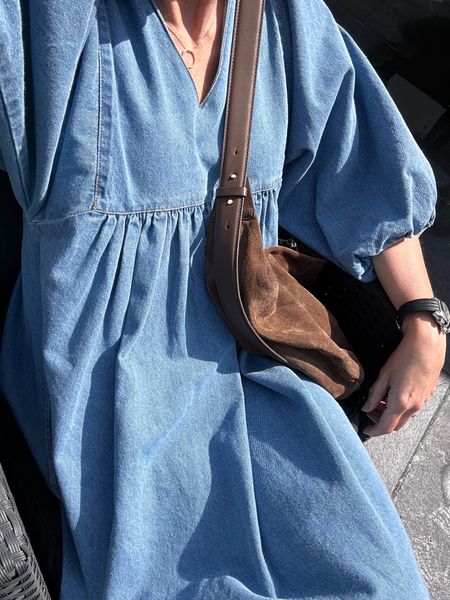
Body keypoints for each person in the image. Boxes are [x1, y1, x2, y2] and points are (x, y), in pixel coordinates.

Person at [0, 0, 446, 598]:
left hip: (263, 371)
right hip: (115, 414)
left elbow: (358, 155)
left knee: (377, 581)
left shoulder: (282, 18)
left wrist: (423, 319)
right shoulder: (55, 26)